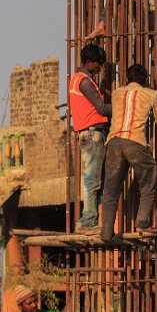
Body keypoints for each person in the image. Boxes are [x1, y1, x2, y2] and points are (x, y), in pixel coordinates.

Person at [100, 63, 157, 242]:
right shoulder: (152, 94)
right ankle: (142, 222)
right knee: (148, 179)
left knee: (110, 190)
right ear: (144, 81)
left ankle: (106, 232)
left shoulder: (116, 93)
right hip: (136, 142)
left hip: (113, 142)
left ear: (127, 79)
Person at [68, 44, 111, 234]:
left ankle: (88, 220)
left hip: (87, 133)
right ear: (89, 62)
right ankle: (88, 222)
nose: (100, 67)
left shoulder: (80, 79)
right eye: (98, 63)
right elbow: (101, 109)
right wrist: (122, 106)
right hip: (92, 133)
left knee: (93, 179)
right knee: (92, 180)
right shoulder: (84, 81)